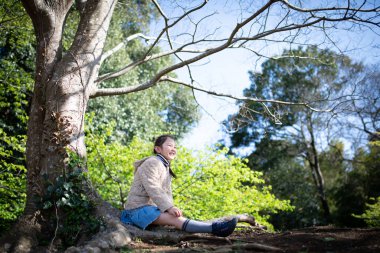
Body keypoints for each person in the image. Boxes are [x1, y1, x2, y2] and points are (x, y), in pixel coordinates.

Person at [121, 134, 237, 237]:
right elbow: (153, 187)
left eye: (175, 147)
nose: (173, 149)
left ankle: (215, 226)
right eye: (170, 146)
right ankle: (216, 229)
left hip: (149, 210)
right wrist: (169, 208)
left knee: (176, 217)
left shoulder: (164, 166)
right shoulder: (152, 162)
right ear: (158, 149)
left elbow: (166, 193)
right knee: (175, 219)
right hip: (136, 211)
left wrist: (170, 208)